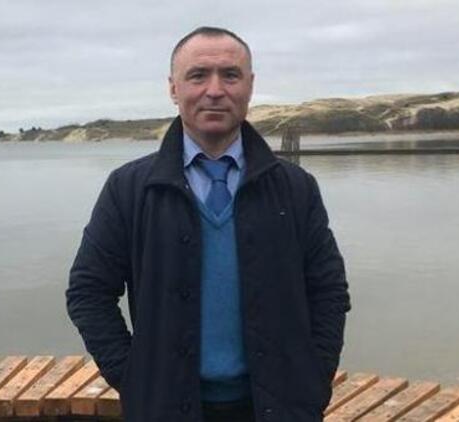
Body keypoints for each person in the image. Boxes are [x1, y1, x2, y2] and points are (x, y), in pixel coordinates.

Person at [66, 26, 351, 422]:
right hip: (165, 409)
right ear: (173, 88)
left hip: (282, 407)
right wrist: (134, 378)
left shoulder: (296, 188)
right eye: (198, 75)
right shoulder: (128, 189)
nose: (215, 90)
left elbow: (328, 290)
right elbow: (88, 292)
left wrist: (313, 378)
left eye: (230, 75)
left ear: (250, 86)